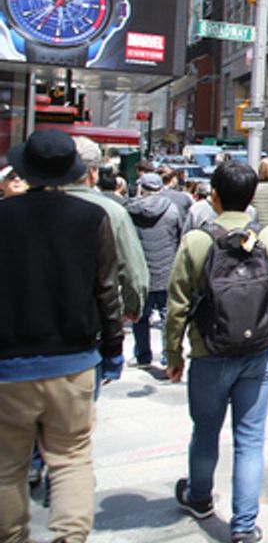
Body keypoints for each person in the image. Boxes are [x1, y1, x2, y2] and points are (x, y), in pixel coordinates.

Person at [0, 129, 124, 543]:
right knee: (71, 461)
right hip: (73, 362)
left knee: (6, 468)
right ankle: (70, 537)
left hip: (9, 364)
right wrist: (113, 350)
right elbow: (107, 290)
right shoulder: (92, 218)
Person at [165, 161, 268, 543]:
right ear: (252, 196)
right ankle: (243, 527)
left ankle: (200, 497)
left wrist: (174, 355)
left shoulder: (198, 241)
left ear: (214, 196)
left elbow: (177, 306)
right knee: (250, 439)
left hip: (207, 353)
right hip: (256, 355)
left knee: (205, 431)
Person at [67, 137, 149, 321]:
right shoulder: (113, 212)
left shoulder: (35, 205)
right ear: (93, 172)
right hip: (93, 319)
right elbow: (133, 272)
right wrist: (132, 307)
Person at [127, 172, 185, 367]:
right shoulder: (172, 210)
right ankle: (169, 357)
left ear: (142, 188)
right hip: (167, 269)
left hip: (142, 271)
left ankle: (143, 355)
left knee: (141, 317)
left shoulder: (132, 211)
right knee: (167, 317)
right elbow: (180, 237)